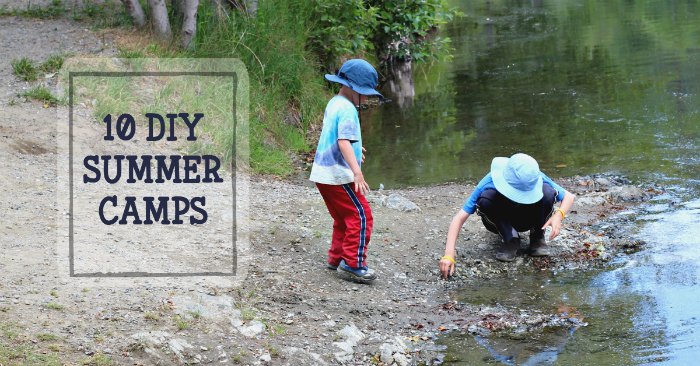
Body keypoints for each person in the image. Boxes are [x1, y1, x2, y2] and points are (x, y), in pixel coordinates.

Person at [439, 153, 575, 279]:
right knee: (485, 199)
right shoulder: (490, 180)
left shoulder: (532, 175)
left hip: (531, 218)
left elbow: (569, 196)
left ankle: (537, 237)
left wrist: (559, 215)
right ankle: (510, 238)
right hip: (504, 219)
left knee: (548, 192)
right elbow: (459, 218)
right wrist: (449, 254)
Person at [310, 59, 383, 284]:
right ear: (353, 88)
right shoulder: (349, 110)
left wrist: (354, 147)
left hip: (323, 174)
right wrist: (357, 172)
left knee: (342, 217)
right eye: (365, 93)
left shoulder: (335, 102)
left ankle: (336, 257)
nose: (367, 98)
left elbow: (335, 136)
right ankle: (353, 263)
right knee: (361, 215)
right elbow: (342, 141)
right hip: (339, 175)